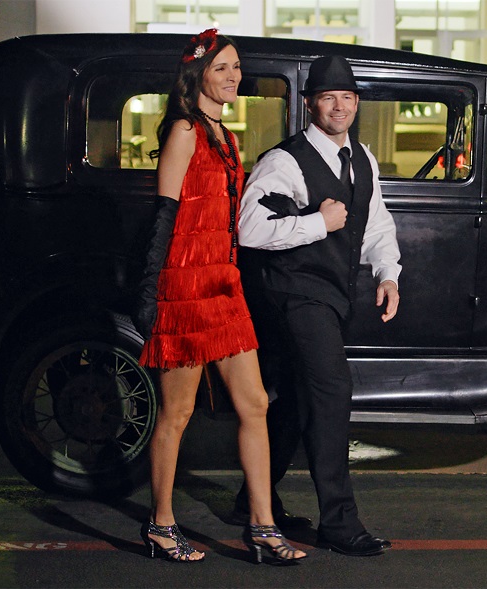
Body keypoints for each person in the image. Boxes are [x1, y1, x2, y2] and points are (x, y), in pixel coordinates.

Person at [132, 28, 305, 564]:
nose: (234, 76)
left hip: (224, 286)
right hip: (185, 289)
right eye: (224, 67)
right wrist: (150, 291)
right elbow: (162, 215)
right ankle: (161, 525)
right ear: (198, 74)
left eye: (237, 69)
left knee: (254, 405)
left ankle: (263, 526)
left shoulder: (226, 136)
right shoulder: (184, 130)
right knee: (176, 414)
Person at [236, 54, 401, 557]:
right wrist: (317, 224)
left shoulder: (362, 158)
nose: (339, 107)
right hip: (294, 292)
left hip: (331, 295)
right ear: (309, 104)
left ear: (356, 104)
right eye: (328, 97)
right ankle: (339, 522)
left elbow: (376, 225)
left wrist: (388, 273)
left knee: (294, 398)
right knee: (331, 393)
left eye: (347, 98)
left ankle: (253, 501)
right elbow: (249, 228)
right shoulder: (284, 161)